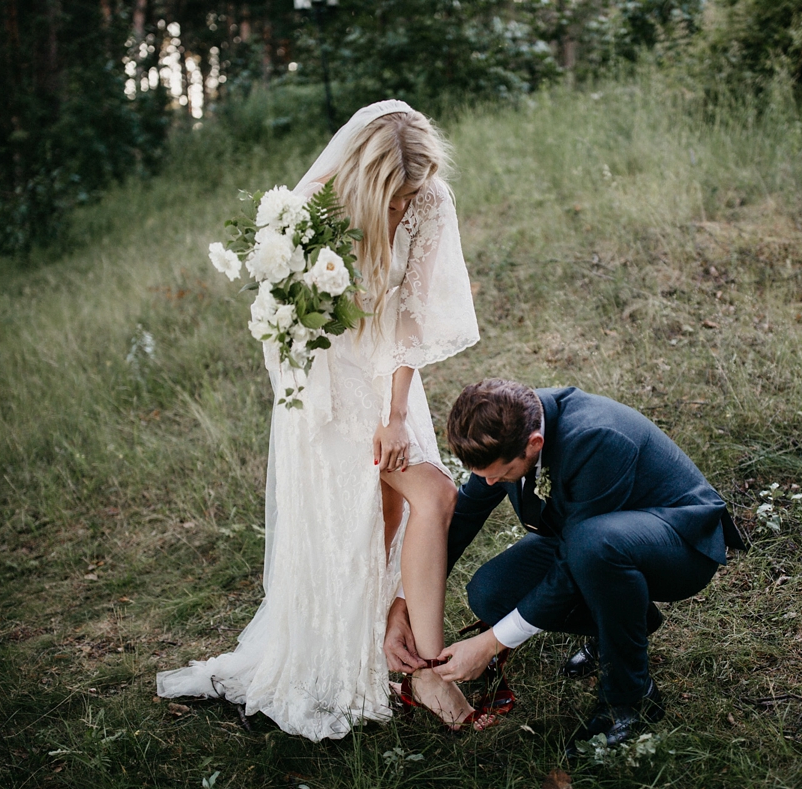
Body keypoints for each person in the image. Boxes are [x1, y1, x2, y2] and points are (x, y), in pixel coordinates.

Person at [157, 100, 486, 739]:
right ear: (366, 180)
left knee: (426, 498)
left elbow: (411, 316)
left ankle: (418, 663)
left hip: (387, 372)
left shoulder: (430, 200)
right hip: (326, 380)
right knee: (379, 511)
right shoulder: (313, 213)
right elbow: (284, 323)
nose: (399, 212)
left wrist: (394, 415)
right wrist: (321, 408)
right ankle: (409, 667)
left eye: (408, 199)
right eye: (391, 201)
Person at [384, 379, 748, 752]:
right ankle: (624, 623)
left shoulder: (595, 438)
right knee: (490, 592)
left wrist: (491, 644)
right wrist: (403, 605)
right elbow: (459, 521)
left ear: (535, 444)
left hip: (679, 546)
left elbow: (573, 564)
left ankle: (631, 697)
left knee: (594, 548)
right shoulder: (505, 432)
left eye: (497, 473)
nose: (489, 482)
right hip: (590, 536)